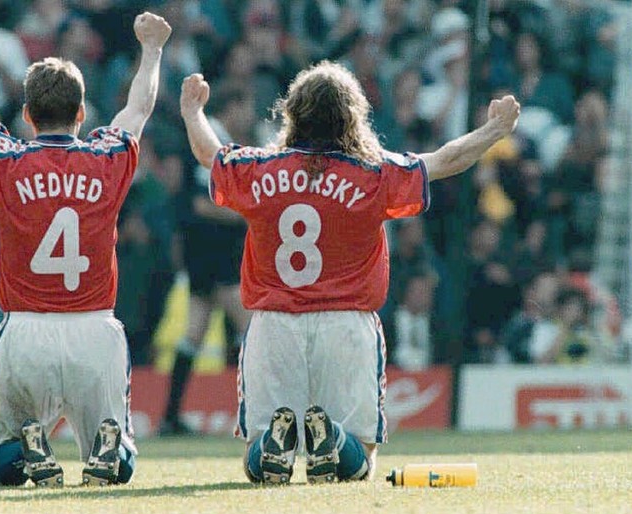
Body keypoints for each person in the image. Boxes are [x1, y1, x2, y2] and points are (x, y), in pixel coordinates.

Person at [179, 61, 520, 484]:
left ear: (294, 115)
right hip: (346, 326)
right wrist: (494, 131)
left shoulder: (260, 170)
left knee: (256, 454)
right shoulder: (374, 175)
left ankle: (274, 444)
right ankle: (335, 440)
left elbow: (209, 154)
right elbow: (445, 160)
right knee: (363, 462)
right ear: (351, 116)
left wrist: (193, 112)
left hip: (273, 326)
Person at [0, 11, 171, 487]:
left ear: (27, 115)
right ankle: (107, 444)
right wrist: (152, 50)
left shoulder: (4, 158)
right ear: (81, 113)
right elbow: (138, 110)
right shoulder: (108, 157)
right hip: (94, 328)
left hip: (25, 330)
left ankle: (28, 443)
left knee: (4, 462)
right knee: (121, 462)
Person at [160, 86, 252, 436]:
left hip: (207, 252)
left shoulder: (220, 138)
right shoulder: (212, 139)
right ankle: (259, 410)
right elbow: (201, 203)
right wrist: (248, 215)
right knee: (252, 329)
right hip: (213, 252)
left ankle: (170, 415)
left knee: (193, 334)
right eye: (245, 106)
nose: (249, 114)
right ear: (233, 106)